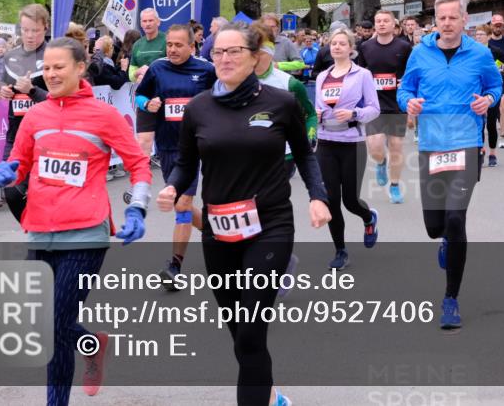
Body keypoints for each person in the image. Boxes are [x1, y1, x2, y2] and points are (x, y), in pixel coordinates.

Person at [156, 22, 331, 406]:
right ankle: (268, 393)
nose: (225, 58)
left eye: (234, 51)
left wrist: (318, 197)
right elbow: (186, 163)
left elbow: (304, 154)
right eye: (218, 52)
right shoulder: (199, 107)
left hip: (270, 225)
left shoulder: (280, 102)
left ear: (255, 57)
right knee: (239, 329)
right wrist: (173, 186)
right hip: (219, 231)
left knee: (251, 330)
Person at [0, 36, 152, 406]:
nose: (52, 73)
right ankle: (91, 344)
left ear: (80, 68)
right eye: (46, 68)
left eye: (59, 67)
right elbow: (20, 167)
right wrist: (5, 173)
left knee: (57, 324)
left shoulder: (104, 115)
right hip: (40, 229)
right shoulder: (36, 115)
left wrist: (137, 208)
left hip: (85, 233)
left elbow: (138, 164)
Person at [397, 0, 502, 330]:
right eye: (441, 18)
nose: (446, 23)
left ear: (464, 20)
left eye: (452, 17)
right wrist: (408, 104)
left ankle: (450, 298)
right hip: (431, 145)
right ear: (436, 20)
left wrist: (487, 99)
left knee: (456, 220)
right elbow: (404, 90)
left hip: (466, 144)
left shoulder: (481, 54)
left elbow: (495, 86)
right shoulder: (419, 52)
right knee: (435, 227)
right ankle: (444, 241)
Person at [134, 24, 216, 288]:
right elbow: (139, 96)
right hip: (167, 146)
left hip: (195, 147)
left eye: (178, 45)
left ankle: (174, 266)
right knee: (181, 202)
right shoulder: (158, 69)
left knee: (181, 205)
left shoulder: (205, 70)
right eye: (169, 44)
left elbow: (223, 98)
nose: (172, 49)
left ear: (192, 46)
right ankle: (224, 235)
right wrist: (148, 104)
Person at [315, 27, 381, 269]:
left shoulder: (362, 75)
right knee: (331, 200)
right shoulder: (323, 76)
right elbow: (316, 109)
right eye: (334, 43)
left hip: (352, 142)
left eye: (342, 44)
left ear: (351, 48)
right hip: (326, 142)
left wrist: (354, 113)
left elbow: (374, 108)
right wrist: (317, 114)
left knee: (350, 200)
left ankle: (368, 217)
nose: (337, 47)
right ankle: (340, 250)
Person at [358, 9, 413, 203]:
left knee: (396, 146)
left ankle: (395, 185)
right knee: (375, 146)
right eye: (378, 21)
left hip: (396, 103)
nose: (381, 24)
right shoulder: (366, 47)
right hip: (374, 104)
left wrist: (404, 82)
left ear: (393, 25)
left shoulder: (404, 47)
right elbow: (360, 73)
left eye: (385, 21)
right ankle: (381, 162)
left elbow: (412, 73)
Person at [251, 23, 318, 180]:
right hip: (246, 155)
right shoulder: (234, 81)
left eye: (262, 50)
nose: (257, 56)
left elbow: (310, 115)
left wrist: (309, 136)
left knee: (271, 201)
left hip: (283, 156)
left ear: (272, 51)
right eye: (253, 50)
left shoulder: (289, 83)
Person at [0, 4, 50, 158]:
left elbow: (61, 101)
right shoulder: (9, 56)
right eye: (25, 30)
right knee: (8, 180)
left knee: (34, 182)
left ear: (45, 28)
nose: (29, 35)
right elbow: (5, 85)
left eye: (35, 30)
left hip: (45, 135)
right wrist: (3, 91)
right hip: (15, 135)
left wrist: (32, 91)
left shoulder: (54, 56)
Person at [473, 24, 504, 167]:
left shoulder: (495, 51)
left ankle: (492, 153)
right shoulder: (471, 52)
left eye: (481, 34)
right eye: (477, 34)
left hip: (492, 90)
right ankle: (480, 151)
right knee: (478, 124)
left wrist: (502, 76)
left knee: (491, 123)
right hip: (477, 90)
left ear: (488, 36)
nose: (478, 37)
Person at [129, 8, 167, 158]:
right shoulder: (138, 45)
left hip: (166, 95)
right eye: (144, 21)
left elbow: (174, 66)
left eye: (151, 20)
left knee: (169, 140)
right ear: (141, 24)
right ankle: (142, 178)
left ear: (158, 21)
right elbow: (131, 75)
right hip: (144, 97)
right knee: (144, 142)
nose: (148, 24)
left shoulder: (166, 40)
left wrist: (150, 71)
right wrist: (138, 73)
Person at [487, 14, 504, 148]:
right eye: (495, 25)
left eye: (500, 25)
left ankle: (502, 137)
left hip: (503, 77)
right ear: (491, 26)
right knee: (493, 107)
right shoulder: (487, 43)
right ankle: (496, 125)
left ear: (503, 26)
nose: (498, 27)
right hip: (489, 79)